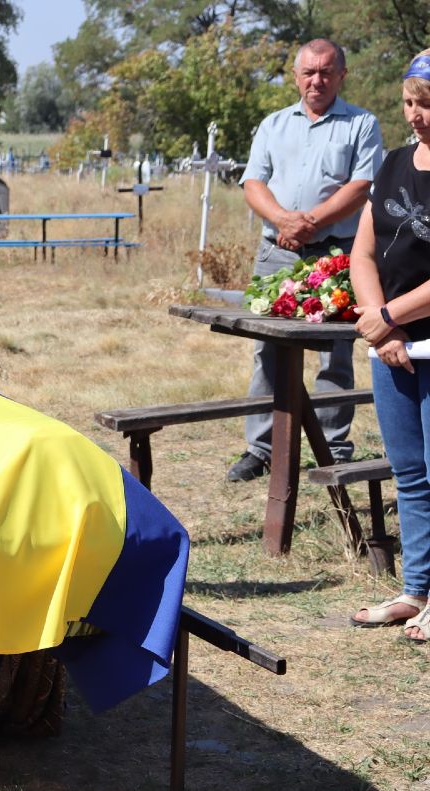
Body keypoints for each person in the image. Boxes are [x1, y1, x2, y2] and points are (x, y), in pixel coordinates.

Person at [230, 38, 383, 482]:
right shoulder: (273, 125)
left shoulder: (361, 124)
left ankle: (332, 447)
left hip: (336, 254)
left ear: (342, 75)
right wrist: (283, 220)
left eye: (326, 72)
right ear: (296, 76)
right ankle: (261, 448)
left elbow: (362, 185)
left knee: (335, 355)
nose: (317, 80)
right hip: (278, 253)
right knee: (268, 350)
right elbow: (253, 182)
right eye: (309, 72)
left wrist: (310, 221)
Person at [347, 49, 430, 641]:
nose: (415, 115)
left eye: (426, 105)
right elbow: (363, 252)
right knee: (410, 474)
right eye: (409, 103)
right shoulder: (393, 164)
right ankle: (417, 589)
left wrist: (386, 317)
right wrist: (384, 326)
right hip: (392, 348)